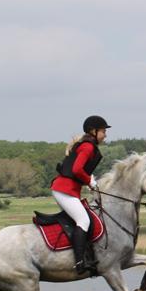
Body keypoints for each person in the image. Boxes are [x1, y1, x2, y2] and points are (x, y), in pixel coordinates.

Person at [51, 115, 109, 275]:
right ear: (93, 131)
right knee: (83, 220)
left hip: (67, 190)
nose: (105, 134)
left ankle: (86, 254)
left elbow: (79, 170)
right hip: (64, 190)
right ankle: (79, 262)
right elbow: (77, 170)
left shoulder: (87, 145)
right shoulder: (88, 147)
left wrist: (89, 180)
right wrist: (89, 182)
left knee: (84, 218)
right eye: (103, 131)